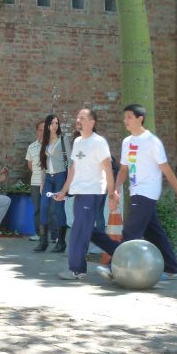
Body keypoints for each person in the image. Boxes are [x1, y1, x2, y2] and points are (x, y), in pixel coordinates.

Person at [96, 104, 177, 281]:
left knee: (130, 233)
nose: (126, 121)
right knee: (154, 231)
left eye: (129, 117)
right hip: (135, 191)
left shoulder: (152, 142)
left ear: (140, 119)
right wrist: (114, 190)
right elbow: (124, 169)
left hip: (147, 192)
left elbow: (166, 169)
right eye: (125, 118)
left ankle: (112, 267)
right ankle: (172, 267)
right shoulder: (127, 141)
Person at [54, 109, 117, 280]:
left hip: (93, 191)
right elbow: (73, 169)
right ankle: (118, 252)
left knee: (79, 230)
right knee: (88, 230)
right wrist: (64, 190)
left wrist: (112, 194)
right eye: (78, 117)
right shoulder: (78, 142)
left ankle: (77, 269)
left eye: (82, 118)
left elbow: (108, 168)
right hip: (80, 192)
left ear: (92, 122)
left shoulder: (99, 142)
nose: (78, 120)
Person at [34, 114, 70, 253]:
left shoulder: (63, 140)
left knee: (58, 209)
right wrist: (42, 182)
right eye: (52, 123)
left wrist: (67, 183)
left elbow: (71, 163)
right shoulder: (45, 142)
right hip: (48, 178)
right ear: (48, 125)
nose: (55, 125)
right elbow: (43, 164)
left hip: (61, 177)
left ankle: (61, 242)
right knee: (43, 207)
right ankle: (43, 241)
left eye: (57, 123)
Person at [25, 121, 45, 241]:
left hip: (49, 182)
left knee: (51, 210)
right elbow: (30, 165)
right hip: (35, 182)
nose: (42, 132)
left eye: (44, 130)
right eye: (40, 130)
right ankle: (39, 234)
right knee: (37, 209)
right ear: (36, 131)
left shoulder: (52, 145)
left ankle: (54, 236)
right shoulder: (31, 146)